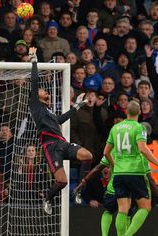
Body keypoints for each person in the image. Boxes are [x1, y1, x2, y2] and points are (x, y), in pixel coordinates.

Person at [28, 47, 92, 215]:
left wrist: (77, 106)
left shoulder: (49, 112)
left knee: (88, 155)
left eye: (44, 90)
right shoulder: (35, 107)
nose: (44, 91)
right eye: (42, 91)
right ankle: (48, 198)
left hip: (62, 143)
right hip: (50, 147)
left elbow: (61, 120)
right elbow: (34, 83)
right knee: (61, 181)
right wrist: (34, 61)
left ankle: (79, 188)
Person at [104, 100, 158, 236]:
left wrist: (114, 165)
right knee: (145, 207)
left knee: (123, 209)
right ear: (139, 112)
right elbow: (143, 149)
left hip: (119, 173)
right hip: (135, 172)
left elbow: (106, 152)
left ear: (126, 112)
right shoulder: (139, 127)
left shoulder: (115, 128)